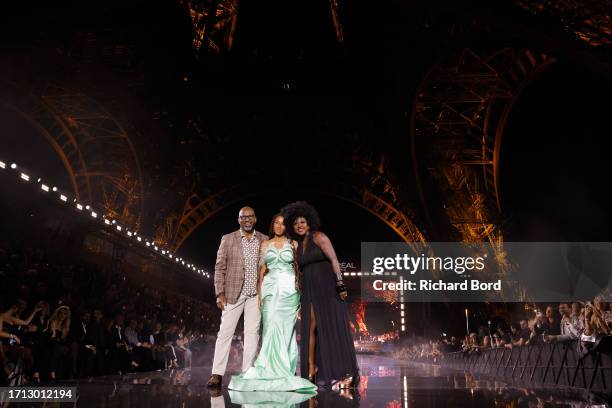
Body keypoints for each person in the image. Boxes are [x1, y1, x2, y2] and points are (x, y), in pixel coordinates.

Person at [228, 214, 316, 393]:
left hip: (289, 292)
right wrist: (260, 293)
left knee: (286, 330)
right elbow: (261, 270)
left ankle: (285, 367)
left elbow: (299, 269)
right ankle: (268, 366)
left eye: (282, 224)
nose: (278, 226)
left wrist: (302, 291)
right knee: (269, 328)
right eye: (276, 222)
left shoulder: (294, 245)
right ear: (272, 225)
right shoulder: (265, 244)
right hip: (269, 289)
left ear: (287, 227)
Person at [280, 201, 359, 389]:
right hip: (309, 287)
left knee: (332, 325)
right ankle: (310, 369)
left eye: (303, 222)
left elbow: (334, 259)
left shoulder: (319, 236)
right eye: (296, 223)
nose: (299, 225)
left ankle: (345, 371)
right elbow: (297, 270)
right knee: (310, 325)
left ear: (309, 222)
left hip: (327, 286)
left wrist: (340, 284)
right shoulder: (297, 246)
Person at [207, 207, 269, 388]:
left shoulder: (264, 240)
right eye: (243, 217)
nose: (247, 220)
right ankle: (217, 374)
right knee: (224, 333)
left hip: (255, 295)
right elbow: (219, 267)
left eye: (250, 217)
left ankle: (247, 373)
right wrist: (219, 293)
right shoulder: (228, 239)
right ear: (238, 220)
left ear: (255, 219)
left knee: (252, 335)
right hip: (233, 293)